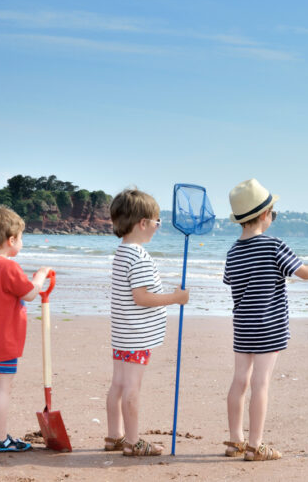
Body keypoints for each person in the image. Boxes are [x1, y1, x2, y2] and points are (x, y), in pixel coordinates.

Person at [223, 179, 308, 461]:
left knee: (239, 381)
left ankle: (235, 441)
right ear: (264, 215)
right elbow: (303, 273)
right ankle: (256, 445)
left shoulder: (232, 252)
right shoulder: (274, 245)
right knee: (261, 383)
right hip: (269, 326)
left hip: (243, 327)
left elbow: (231, 282)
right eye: (273, 212)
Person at [105, 188, 189, 457]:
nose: (157, 226)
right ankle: (131, 441)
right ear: (143, 223)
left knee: (118, 384)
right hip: (136, 335)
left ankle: (114, 436)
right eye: (157, 221)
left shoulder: (123, 252)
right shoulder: (139, 256)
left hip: (123, 333)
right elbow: (141, 297)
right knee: (131, 387)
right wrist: (175, 298)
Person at [0, 204, 52, 452]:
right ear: (11, 240)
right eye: (21, 238)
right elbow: (30, 293)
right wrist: (41, 274)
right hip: (3, 341)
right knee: (2, 390)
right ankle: (1, 438)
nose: (21, 242)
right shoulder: (8, 267)